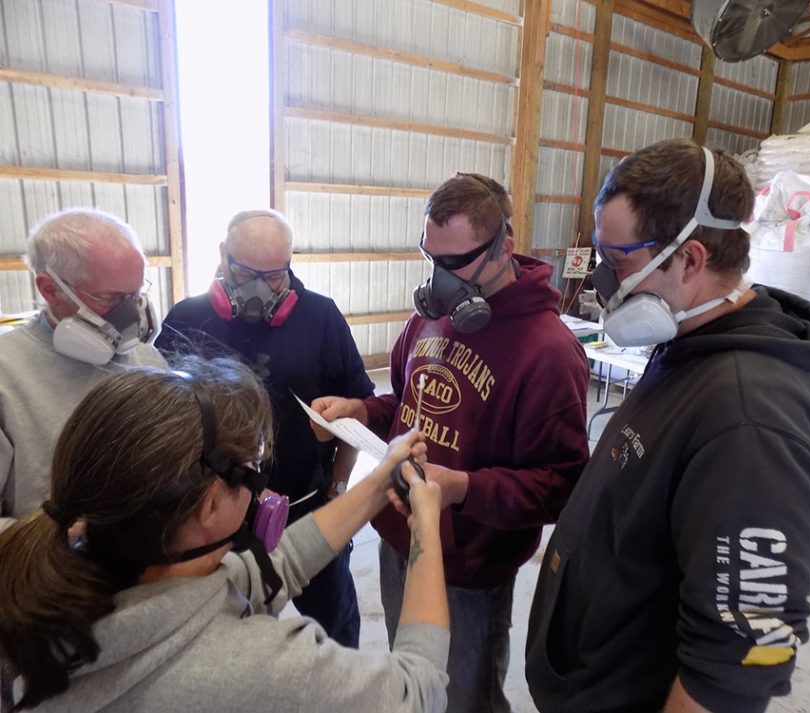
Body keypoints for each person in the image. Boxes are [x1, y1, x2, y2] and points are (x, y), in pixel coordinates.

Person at [525, 139, 810, 713]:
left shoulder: (752, 421)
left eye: (621, 261)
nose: (607, 282)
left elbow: (737, 662)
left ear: (692, 259)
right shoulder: (689, 343)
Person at [0, 357, 449, 712]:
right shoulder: (260, 669)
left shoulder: (67, 579)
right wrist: (425, 526)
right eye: (254, 466)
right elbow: (417, 689)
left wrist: (381, 479)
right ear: (211, 503)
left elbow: (276, 566)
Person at [312, 173, 590, 713]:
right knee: (415, 685)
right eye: (429, 257)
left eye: (454, 263)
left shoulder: (549, 352)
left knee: (464, 699)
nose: (439, 280)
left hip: (467, 570)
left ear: (503, 246)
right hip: (399, 534)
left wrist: (461, 488)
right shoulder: (429, 319)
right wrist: (361, 411)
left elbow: (560, 485)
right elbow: (408, 404)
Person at [154, 209, 373, 647]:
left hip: (308, 511)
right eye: (245, 271)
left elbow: (356, 406)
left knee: (336, 628)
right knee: (222, 640)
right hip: (214, 522)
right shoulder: (187, 318)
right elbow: (161, 416)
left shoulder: (321, 317)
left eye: (275, 276)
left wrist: (337, 487)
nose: (260, 286)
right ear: (222, 256)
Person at [0, 208, 165, 533]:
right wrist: (63, 535)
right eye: (110, 297)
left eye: (135, 295)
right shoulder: (7, 376)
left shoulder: (149, 360)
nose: (130, 313)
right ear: (50, 289)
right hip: (55, 577)